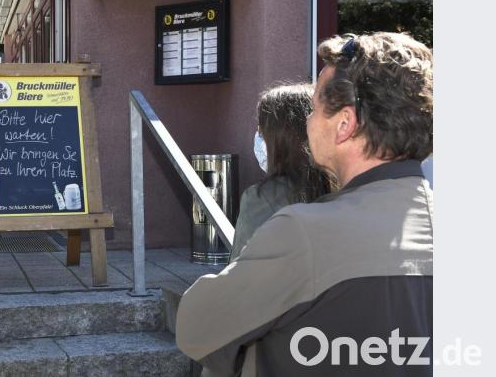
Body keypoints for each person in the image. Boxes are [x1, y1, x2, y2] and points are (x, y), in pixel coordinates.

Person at [176, 32, 433, 376]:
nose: (308, 122)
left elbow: (196, 327)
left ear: (344, 124)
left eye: (313, 109)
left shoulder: (304, 233)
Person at [230, 84, 332, 262]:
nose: (258, 137)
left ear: (280, 138)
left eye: (261, 130)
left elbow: (242, 270)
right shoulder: (342, 187)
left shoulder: (263, 198)